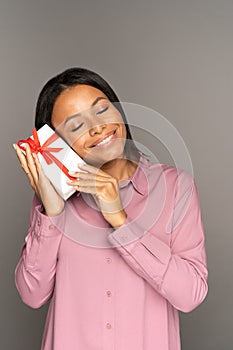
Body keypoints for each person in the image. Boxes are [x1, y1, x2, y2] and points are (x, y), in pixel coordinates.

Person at [14, 67, 208, 350]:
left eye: (102, 110)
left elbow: (191, 294)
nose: (97, 127)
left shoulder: (176, 187)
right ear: (58, 143)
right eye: (76, 126)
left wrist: (119, 218)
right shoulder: (52, 200)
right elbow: (32, 294)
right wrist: (52, 210)